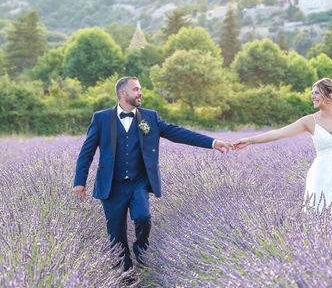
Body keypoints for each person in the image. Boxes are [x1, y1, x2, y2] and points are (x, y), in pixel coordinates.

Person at [72, 76, 230, 272]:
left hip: (138, 183)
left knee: (143, 217)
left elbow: (178, 133)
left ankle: (141, 252)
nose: (140, 93)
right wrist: (80, 182)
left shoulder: (150, 117)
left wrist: (213, 143)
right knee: (116, 235)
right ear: (123, 93)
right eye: (136, 89)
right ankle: (126, 276)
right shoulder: (101, 118)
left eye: (140, 89)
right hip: (111, 186)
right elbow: (86, 152)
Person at [233, 78, 332, 229]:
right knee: (326, 216)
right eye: (313, 93)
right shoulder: (309, 121)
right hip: (323, 175)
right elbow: (278, 133)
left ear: (329, 95)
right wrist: (249, 140)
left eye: (316, 92)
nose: (312, 96)